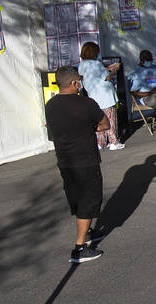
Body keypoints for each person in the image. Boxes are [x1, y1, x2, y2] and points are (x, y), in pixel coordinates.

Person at [45, 65, 110, 263]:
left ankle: (88, 232)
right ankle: (79, 248)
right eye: (79, 81)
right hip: (85, 159)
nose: (80, 84)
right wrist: (90, 127)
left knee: (77, 198)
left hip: (64, 160)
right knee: (88, 201)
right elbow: (105, 124)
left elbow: (52, 133)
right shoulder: (86, 103)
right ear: (74, 83)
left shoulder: (50, 105)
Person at [78, 41, 122, 151]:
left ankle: (100, 143)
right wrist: (114, 70)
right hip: (106, 96)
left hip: (93, 96)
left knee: (99, 120)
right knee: (110, 119)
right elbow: (106, 77)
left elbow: (92, 75)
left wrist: (106, 68)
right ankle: (114, 142)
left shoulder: (82, 65)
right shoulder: (97, 64)